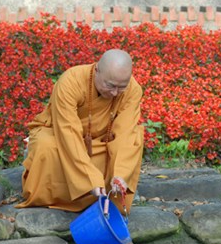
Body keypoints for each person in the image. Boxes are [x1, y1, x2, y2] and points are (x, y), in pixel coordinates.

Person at [16, 49, 144, 215]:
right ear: (97, 69)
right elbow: (67, 130)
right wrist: (90, 179)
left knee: (135, 138)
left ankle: (110, 194)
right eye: (110, 85)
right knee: (45, 145)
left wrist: (120, 175)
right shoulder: (71, 81)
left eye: (121, 87)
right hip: (61, 133)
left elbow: (125, 134)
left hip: (101, 140)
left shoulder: (133, 90)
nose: (114, 93)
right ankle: (53, 197)